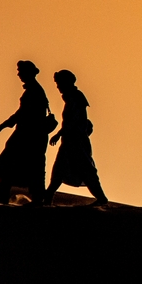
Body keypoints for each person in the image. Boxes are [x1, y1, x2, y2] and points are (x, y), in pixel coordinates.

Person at [0, 60, 52, 205]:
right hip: (30, 135)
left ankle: (6, 196)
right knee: (29, 167)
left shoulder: (34, 91)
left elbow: (22, 114)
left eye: (21, 71)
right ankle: (6, 196)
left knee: (13, 165)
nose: (18, 74)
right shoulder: (33, 90)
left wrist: (1, 126)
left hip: (28, 136)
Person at [44, 70, 109, 206]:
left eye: (59, 83)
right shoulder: (72, 98)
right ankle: (48, 197)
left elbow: (73, 121)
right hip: (69, 141)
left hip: (76, 142)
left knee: (86, 170)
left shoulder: (76, 98)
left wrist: (59, 133)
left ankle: (101, 198)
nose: (58, 86)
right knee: (59, 170)